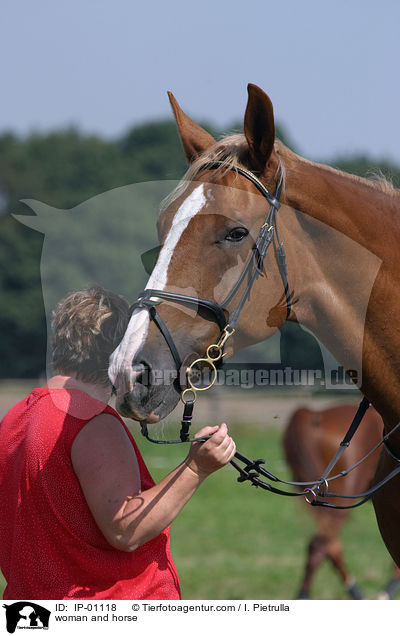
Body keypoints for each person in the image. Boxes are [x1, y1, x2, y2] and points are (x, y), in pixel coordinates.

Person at [0, 286, 236, 600]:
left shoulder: (16, 416)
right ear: (124, 350)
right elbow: (126, 529)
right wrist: (195, 469)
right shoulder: (92, 421)